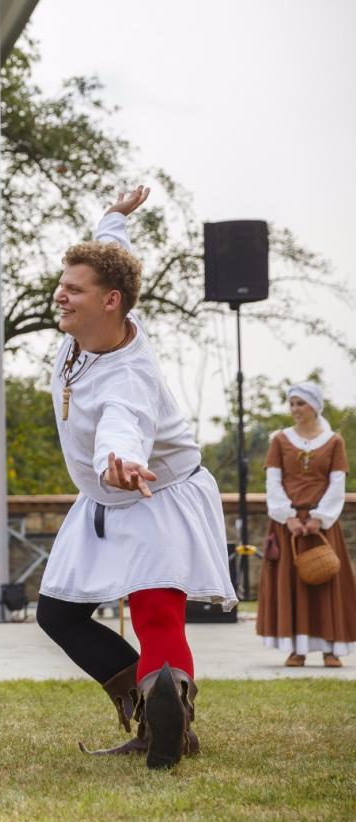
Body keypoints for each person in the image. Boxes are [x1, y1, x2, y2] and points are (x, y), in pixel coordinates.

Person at [35, 186, 237, 771]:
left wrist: (117, 462)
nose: (61, 295)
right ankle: (154, 699)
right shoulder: (97, 325)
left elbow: (122, 427)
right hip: (105, 498)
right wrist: (113, 218)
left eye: (73, 290)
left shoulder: (129, 379)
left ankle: (166, 720)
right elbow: (113, 252)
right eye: (63, 284)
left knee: (155, 612)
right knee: (58, 613)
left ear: (110, 302)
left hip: (155, 493)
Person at [257, 381, 355, 666]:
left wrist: (319, 518)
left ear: (314, 406)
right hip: (288, 525)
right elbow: (273, 481)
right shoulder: (280, 440)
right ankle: (296, 649)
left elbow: (337, 483)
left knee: (327, 585)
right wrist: (287, 516)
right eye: (292, 403)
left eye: (301, 403)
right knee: (292, 585)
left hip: (322, 525)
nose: (295, 409)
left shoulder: (334, 441)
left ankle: (330, 650)